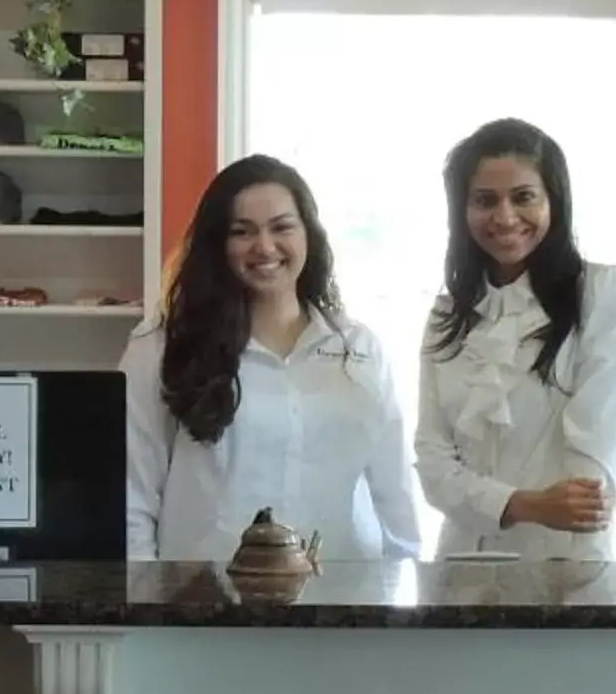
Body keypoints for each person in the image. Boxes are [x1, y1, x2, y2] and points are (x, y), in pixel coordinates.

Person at [120, 155, 421, 564]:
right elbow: (132, 495)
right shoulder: (160, 347)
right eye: (242, 232)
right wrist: (143, 604)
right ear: (217, 244)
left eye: (282, 228)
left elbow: (394, 494)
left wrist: (406, 597)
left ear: (308, 235)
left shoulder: (360, 349)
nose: (264, 247)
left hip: (347, 600)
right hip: (205, 606)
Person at [414, 118, 616, 560]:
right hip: (461, 564)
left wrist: (511, 507)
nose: (504, 217)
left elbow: (589, 479)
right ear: (462, 212)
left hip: (564, 565)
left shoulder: (604, 295)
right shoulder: (446, 316)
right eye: (485, 200)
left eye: (523, 198)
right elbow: (432, 462)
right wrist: (528, 505)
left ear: (554, 203)